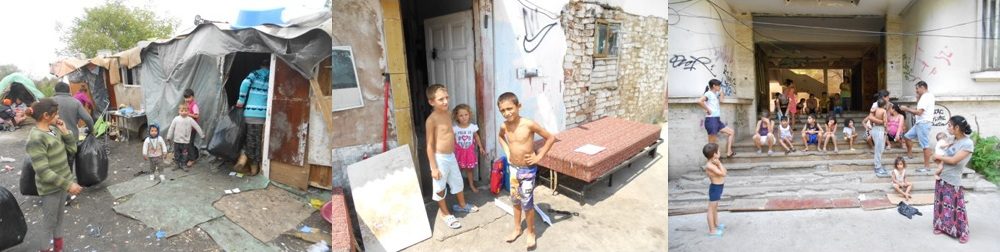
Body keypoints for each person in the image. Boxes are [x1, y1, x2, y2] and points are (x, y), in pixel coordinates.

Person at [497, 92, 555, 249]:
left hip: (528, 170)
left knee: (527, 204)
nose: (507, 113)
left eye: (510, 108)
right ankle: (517, 229)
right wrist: (507, 152)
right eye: (503, 110)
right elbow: (501, 137)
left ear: (518, 106)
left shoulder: (529, 124)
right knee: (515, 200)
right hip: (514, 169)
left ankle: (531, 232)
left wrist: (539, 156)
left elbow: (550, 138)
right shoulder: (504, 126)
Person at [24, 98, 82, 252]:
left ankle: (58, 249)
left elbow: (72, 150)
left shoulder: (54, 130)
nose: (58, 117)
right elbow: (43, 172)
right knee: (49, 222)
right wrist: (69, 185)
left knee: (59, 220)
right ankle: (45, 249)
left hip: (62, 184)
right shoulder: (36, 139)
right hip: (51, 189)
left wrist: (65, 132)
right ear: (45, 115)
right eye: (56, 114)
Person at [425, 84, 477, 231]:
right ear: (431, 102)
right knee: (440, 187)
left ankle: (461, 205)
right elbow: (429, 145)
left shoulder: (448, 113)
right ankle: (444, 213)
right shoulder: (431, 120)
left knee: (457, 181)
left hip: (451, 155)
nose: (446, 101)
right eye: (441, 99)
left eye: (447, 98)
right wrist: (433, 167)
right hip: (439, 158)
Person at [932, 116, 975, 244]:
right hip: (942, 177)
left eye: (949, 125)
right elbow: (944, 156)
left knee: (957, 207)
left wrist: (938, 156)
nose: (947, 128)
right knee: (942, 205)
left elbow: (954, 160)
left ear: (957, 128)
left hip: (954, 179)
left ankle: (963, 232)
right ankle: (942, 226)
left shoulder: (967, 143)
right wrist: (938, 158)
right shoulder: (952, 139)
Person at [234, 60, 270, 175]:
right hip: (262, 114)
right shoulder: (272, 75)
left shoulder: (255, 73)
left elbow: (245, 83)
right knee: (257, 141)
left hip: (249, 113)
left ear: (261, 64)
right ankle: (253, 166)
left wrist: (241, 100)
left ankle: (247, 163)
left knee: (248, 139)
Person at [902, 81, 936, 174]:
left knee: (925, 145)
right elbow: (919, 109)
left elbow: (919, 112)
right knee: (907, 136)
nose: (916, 90)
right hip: (920, 123)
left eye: (917, 88)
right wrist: (918, 98)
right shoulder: (926, 96)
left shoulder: (926, 97)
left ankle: (927, 167)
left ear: (922, 87)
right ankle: (909, 155)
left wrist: (906, 109)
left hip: (923, 123)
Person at [452, 104, 486, 193]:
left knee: (469, 170)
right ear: (457, 117)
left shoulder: (472, 127)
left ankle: (471, 185)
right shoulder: (455, 129)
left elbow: (476, 137)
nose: (464, 117)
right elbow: (451, 140)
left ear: (469, 115)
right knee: (457, 170)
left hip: (469, 153)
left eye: (466, 115)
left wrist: (481, 147)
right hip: (458, 154)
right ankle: (457, 186)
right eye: (461, 115)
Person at [697, 79, 735, 158]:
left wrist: (721, 92)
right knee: (712, 144)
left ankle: (729, 152)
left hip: (717, 120)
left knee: (731, 132)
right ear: (714, 86)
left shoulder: (715, 94)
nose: (720, 87)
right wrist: (708, 110)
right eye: (719, 85)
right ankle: (712, 161)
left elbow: (721, 100)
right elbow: (700, 101)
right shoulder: (708, 93)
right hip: (711, 120)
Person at [165, 105, 204, 171]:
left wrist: (202, 135)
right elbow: (171, 128)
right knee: (176, 153)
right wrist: (169, 136)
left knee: (185, 154)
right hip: (177, 141)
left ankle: (183, 164)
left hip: (185, 142)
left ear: (188, 111)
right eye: (182, 111)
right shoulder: (176, 119)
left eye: (186, 111)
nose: (184, 112)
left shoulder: (190, 120)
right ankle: (177, 164)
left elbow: (197, 126)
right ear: (179, 111)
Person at [702, 143, 727, 238]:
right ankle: (712, 230)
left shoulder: (714, 162)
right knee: (711, 209)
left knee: (715, 207)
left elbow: (725, 171)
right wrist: (719, 163)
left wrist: (719, 163)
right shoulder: (710, 166)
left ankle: (716, 224)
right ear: (714, 154)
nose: (720, 152)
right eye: (719, 151)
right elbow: (723, 173)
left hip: (719, 187)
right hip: (715, 188)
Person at [868, 99, 889, 177]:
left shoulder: (875, 110)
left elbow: (870, 120)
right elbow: (885, 122)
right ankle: (878, 167)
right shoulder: (884, 111)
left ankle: (878, 165)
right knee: (879, 149)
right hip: (880, 129)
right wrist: (886, 130)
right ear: (884, 105)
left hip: (874, 129)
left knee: (878, 148)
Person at [182, 89, 200, 164]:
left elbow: (197, 115)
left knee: (190, 143)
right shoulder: (186, 104)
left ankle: (192, 159)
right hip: (186, 127)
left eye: (188, 98)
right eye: (185, 98)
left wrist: (188, 114)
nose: (187, 99)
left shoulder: (194, 105)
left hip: (192, 128)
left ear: (192, 97)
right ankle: (188, 157)